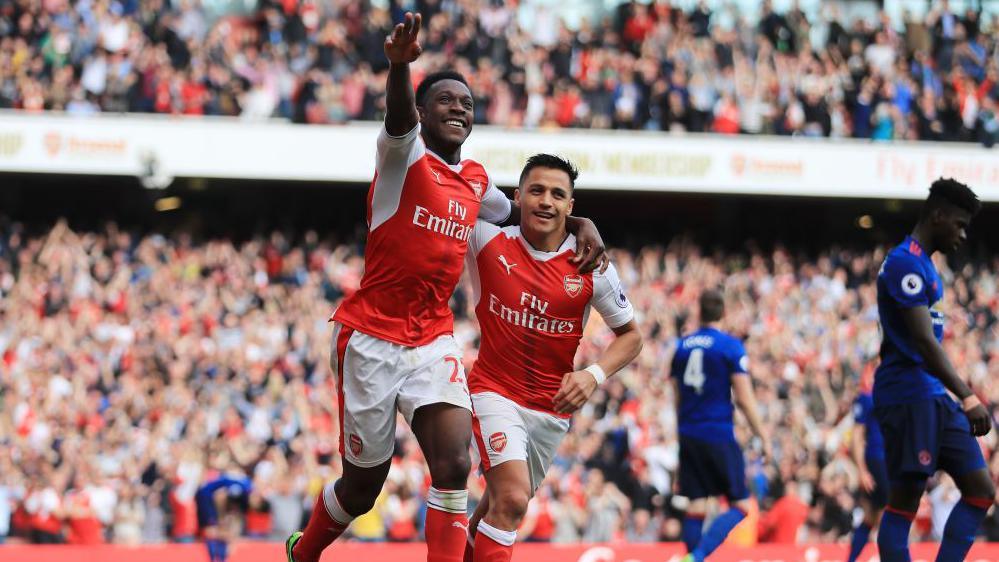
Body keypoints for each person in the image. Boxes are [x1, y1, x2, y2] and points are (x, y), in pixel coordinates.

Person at [286, 13, 607, 562]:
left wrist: (581, 223)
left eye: (466, 103)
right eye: (445, 101)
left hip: (431, 339)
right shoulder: (401, 159)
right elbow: (397, 117)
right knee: (364, 487)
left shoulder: (477, 180)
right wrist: (399, 67)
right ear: (423, 112)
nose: (458, 108)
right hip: (370, 339)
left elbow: (525, 217)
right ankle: (306, 550)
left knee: (455, 464)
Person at [460, 154, 643, 562]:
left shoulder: (590, 264)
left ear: (571, 206)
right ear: (517, 196)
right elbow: (448, 195)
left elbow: (631, 337)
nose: (546, 201)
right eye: (537, 191)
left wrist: (593, 375)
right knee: (511, 500)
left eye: (558, 195)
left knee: (496, 507)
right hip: (494, 392)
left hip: (551, 410)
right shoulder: (486, 239)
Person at [873, 178, 995, 561]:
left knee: (981, 491)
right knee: (904, 503)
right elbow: (925, 343)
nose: (961, 235)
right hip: (908, 397)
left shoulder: (924, 265)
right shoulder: (904, 263)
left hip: (932, 396)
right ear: (938, 215)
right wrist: (968, 394)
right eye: (958, 224)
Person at [672, 290, 770, 562]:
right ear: (722, 313)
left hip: (688, 432)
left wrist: (680, 434)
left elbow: (677, 397)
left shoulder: (682, 347)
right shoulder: (729, 346)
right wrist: (763, 435)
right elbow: (744, 398)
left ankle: (692, 556)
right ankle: (697, 556)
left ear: (699, 312)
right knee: (741, 505)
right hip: (717, 432)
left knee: (696, 504)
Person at [847, 376, 888, 562]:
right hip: (878, 459)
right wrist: (862, 470)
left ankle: (852, 559)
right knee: (891, 513)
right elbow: (856, 435)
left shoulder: (896, 392)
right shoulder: (867, 396)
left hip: (890, 460)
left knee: (872, 516)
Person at [195, 472, 252, 562]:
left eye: (224, 492)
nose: (222, 495)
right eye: (219, 492)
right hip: (209, 548)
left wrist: (225, 535)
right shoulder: (207, 506)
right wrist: (224, 535)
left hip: (225, 550)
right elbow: (209, 533)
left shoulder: (233, 508)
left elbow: (234, 533)